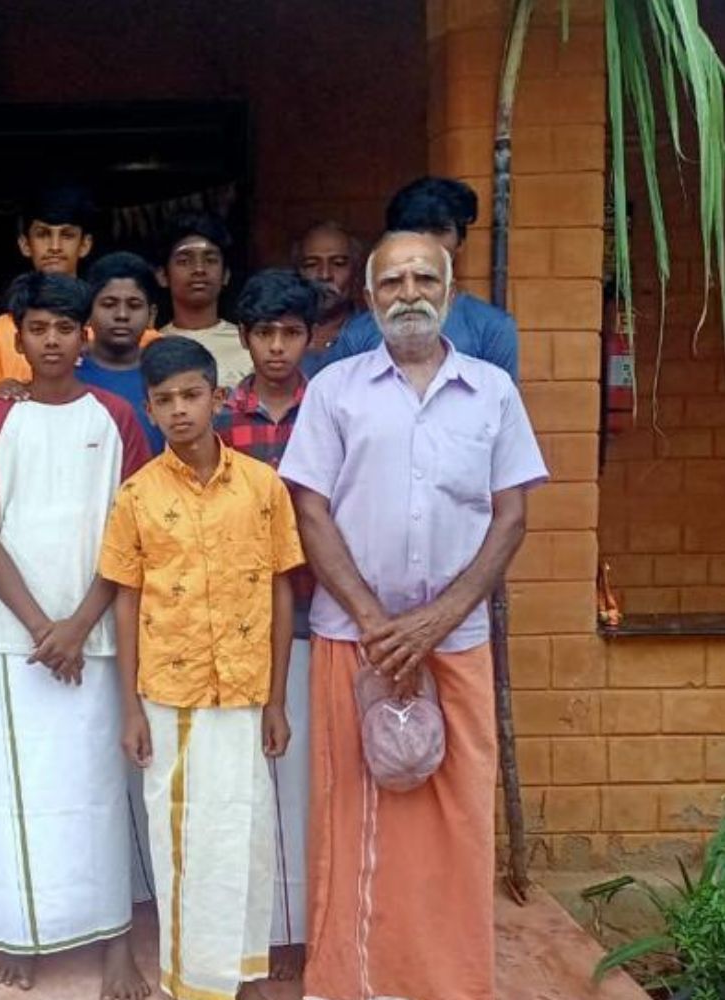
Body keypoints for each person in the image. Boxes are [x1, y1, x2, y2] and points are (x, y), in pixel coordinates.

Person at [278, 231, 548, 1000]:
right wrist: (375, 621)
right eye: (392, 282)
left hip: (456, 643)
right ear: (368, 299)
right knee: (353, 817)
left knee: (456, 819)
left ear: (450, 294)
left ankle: (449, 983)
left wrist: (438, 619)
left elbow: (511, 518)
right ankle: (350, 982)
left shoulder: (493, 392)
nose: (409, 294)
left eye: (424, 279)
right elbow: (309, 510)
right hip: (353, 641)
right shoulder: (335, 390)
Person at [0, 272, 151, 999]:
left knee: (100, 791)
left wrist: (78, 625)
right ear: (17, 338)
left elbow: (131, 538)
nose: (51, 341)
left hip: (94, 639)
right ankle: (22, 927)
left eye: (65, 329)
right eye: (37, 329)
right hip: (16, 643)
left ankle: (115, 941)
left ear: (84, 338)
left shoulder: (115, 417)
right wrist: (45, 629)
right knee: (19, 792)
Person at [101, 335, 301, 1000]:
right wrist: (130, 707)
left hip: (244, 689)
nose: (180, 409)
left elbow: (280, 587)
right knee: (182, 837)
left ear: (218, 397)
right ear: (149, 409)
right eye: (165, 400)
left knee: (245, 831)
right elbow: (126, 601)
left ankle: (242, 967)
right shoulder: (136, 495)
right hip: (171, 692)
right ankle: (191, 979)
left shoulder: (262, 487)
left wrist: (277, 699)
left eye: (192, 395)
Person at [213, 268, 319, 979]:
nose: (277, 347)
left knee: (303, 779)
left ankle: (303, 926)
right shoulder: (219, 417)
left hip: (318, 612)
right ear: (245, 338)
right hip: (236, 620)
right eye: (264, 333)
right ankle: (248, 929)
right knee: (244, 786)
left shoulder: (332, 410)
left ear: (309, 337)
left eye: (290, 332)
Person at [321, 177, 520, 380]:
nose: (427, 241)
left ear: (460, 242)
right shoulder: (358, 333)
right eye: (415, 230)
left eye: (440, 230)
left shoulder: (491, 328)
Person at [0, 186, 97, 396]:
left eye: (67, 235)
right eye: (43, 234)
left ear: (85, 244)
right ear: (25, 244)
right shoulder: (1, 332)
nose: (55, 246)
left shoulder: (108, 327)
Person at [79, 252, 166, 455]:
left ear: (151, 315)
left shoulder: (168, 372)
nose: (122, 315)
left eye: (134, 305)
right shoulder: (65, 372)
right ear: (88, 313)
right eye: (109, 304)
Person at [157, 212, 252, 388]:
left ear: (226, 275)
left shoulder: (249, 345)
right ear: (162, 275)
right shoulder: (151, 345)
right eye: (184, 261)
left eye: (210, 260)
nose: (199, 269)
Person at [291, 221, 361, 377]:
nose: (324, 275)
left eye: (338, 264)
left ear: (355, 272)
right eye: (311, 264)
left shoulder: (373, 332)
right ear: (297, 273)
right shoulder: (277, 334)